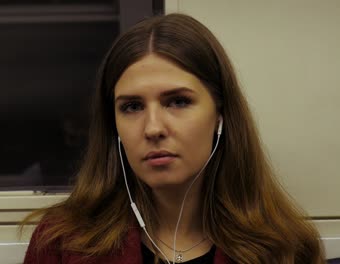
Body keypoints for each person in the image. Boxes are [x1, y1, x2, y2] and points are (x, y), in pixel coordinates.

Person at [21, 13, 325, 264]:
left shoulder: (286, 248)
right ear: (113, 124)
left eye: (178, 102)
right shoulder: (61, 241)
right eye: (132, 107)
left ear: (220, 113)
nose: (153, 128)